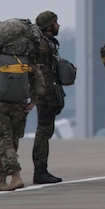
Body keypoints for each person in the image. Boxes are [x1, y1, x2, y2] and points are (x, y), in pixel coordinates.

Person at [0, 22, 40, 192]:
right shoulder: (25, 60)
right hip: (19, 105)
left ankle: (15, 176)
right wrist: (33, 102)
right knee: (11, 143)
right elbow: (39, 81)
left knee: (4, 143)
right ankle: (1, 178)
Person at [30, 10, 67, 185]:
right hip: (45, 95)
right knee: (43, 132)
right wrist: (48, 95)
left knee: (45, 132)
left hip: (46, 93)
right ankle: (40, 171)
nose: (58, 25)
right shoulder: (43, 46)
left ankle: (41, 169)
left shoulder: (47, 44)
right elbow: (44, 74)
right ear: (48, 26)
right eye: (55, 22)